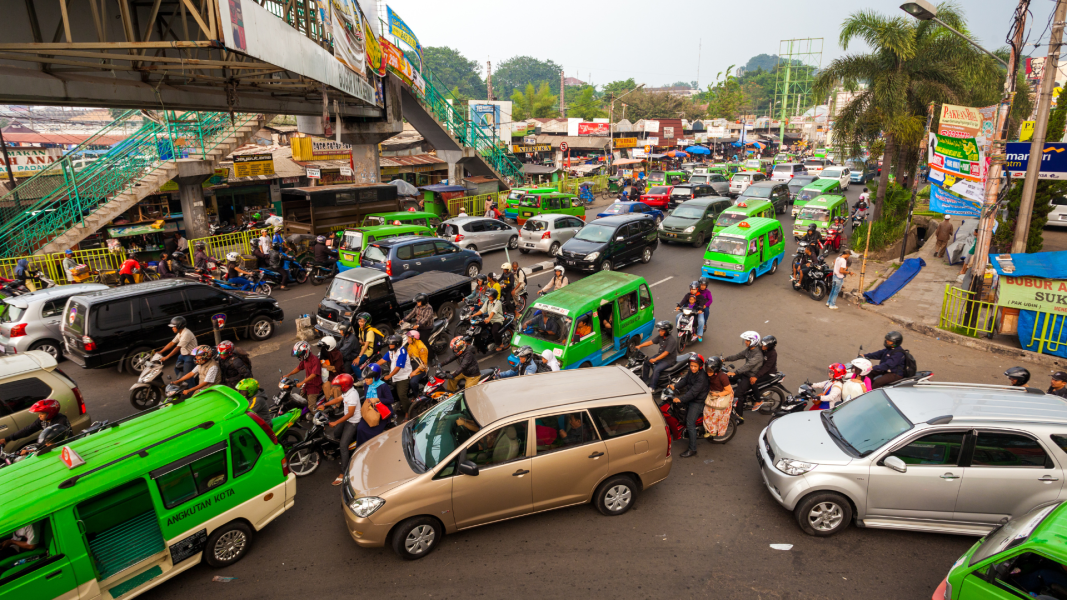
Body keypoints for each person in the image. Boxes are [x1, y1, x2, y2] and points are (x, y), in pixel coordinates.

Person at [320, 373, 359, 487]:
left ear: (344, 386)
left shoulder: (352, 395)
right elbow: (338, 398)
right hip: (347, 419)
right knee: (336, 433)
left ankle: (344, 472)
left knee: (343, 445)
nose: (337, 389)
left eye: (338, 387)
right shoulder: (347, 392)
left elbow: (351, 414)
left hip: (353, 422)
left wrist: (336, 422)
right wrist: (325, 405)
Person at [670, 354, 710, 458]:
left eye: (695, 366)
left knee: (690, 423)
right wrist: (674, 387)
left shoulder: (701, 377)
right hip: (690, 397)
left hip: (697, 401)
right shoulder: (692, 372)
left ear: (700, 366)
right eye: (691, 365)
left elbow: (693, 393)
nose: (692, 368)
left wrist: (681, 399)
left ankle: (692, 449)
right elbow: (684, 380)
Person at [0, 399, 70, 454]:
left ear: (50, 412)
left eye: (41, 413)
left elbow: (53, 440)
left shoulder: (61, 421)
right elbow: (28, 430)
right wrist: (7, 439)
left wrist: (32, 450)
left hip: (64, 449)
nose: (39, 416)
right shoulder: (43, 420)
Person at [356, 364, 395, 447]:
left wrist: (378, 399)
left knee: (373, 433)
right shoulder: (366, 385)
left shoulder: (383, 386)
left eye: (368, 378)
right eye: (365, 378)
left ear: (375, 378)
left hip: (381, 412)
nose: (365, 380)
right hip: (370, 410)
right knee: (360, 429)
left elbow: (391, 400)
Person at [724, 331, 764, 408]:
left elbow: (748, 366)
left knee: (738, 395)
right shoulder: (749, 349)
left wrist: (735, 373)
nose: (745, 342)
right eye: (745, 340)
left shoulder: (758, 355)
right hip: (745, 373)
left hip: (749, 376)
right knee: (725, 378)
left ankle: (739, 416)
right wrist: (724, 359)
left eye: (748, 341)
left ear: (753, 342)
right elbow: (738, 356)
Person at [635, 321, 678, 389]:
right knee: (646, 363)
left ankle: (652, 387)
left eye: (662, 330)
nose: (659, 332)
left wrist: (655, 359)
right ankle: (645, 381)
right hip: (660, 356)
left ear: (667, 331)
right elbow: (650, 342)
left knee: (656, 369)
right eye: (659, 330)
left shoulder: (671, 341)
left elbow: (666, 353)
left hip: (668, 360)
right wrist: (640, 346)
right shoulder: (661, 337)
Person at [379, 335, 412, 414]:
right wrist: (373, 367)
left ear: (397, 344)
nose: (389, 345)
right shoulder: (391, 351)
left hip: (403, 377)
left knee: (402, 395)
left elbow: (398, 367)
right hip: (394, 375)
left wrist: (389, 376)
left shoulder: (402, 352)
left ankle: (407, 413)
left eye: (391, 344)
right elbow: (382, 360)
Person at [703, 356, 734, 438]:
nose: (708, 372)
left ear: (716, 370)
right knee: (707, 412)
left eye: (710, 370)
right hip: (713, 394)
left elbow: (728, 390)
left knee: (718, 414)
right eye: (707, 370)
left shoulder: (723, 377)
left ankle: (716, 431)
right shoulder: (708, 375)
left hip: (723, 395)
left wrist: (717, 395)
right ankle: (710, 430)